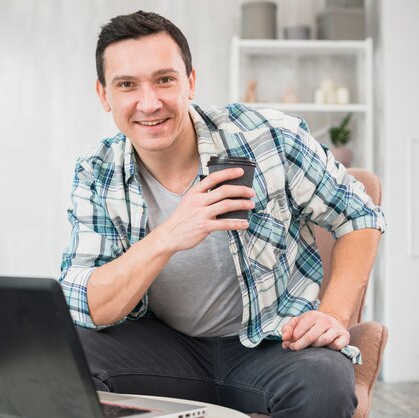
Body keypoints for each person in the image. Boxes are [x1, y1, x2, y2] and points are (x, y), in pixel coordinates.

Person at [59, 10, 385, 418]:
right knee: (63, 360)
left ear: (190, 81)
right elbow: (86, 302)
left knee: (325, 384)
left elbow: (360, 215)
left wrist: (333, 313)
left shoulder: (268, 137)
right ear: (104, 95)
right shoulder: (96, 171)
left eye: (164, 79)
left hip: (272, 345)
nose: (149, 103)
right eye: (127, 85)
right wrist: (170, 234)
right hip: (164, 350)